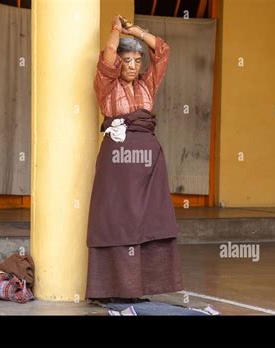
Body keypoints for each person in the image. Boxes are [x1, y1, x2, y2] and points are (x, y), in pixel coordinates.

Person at [86, 15, 183, 303]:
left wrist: (136, 32)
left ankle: (138, 289)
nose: (132, 65)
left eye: (137, 60)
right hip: (118, 163)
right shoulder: (107, 84)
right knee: (116, 220)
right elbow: (106, 59)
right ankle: (109, 290)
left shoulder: (147, 84)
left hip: (148, 164)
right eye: (126, 60)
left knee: (146, 221)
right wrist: (116, 31)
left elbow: (163, 51)